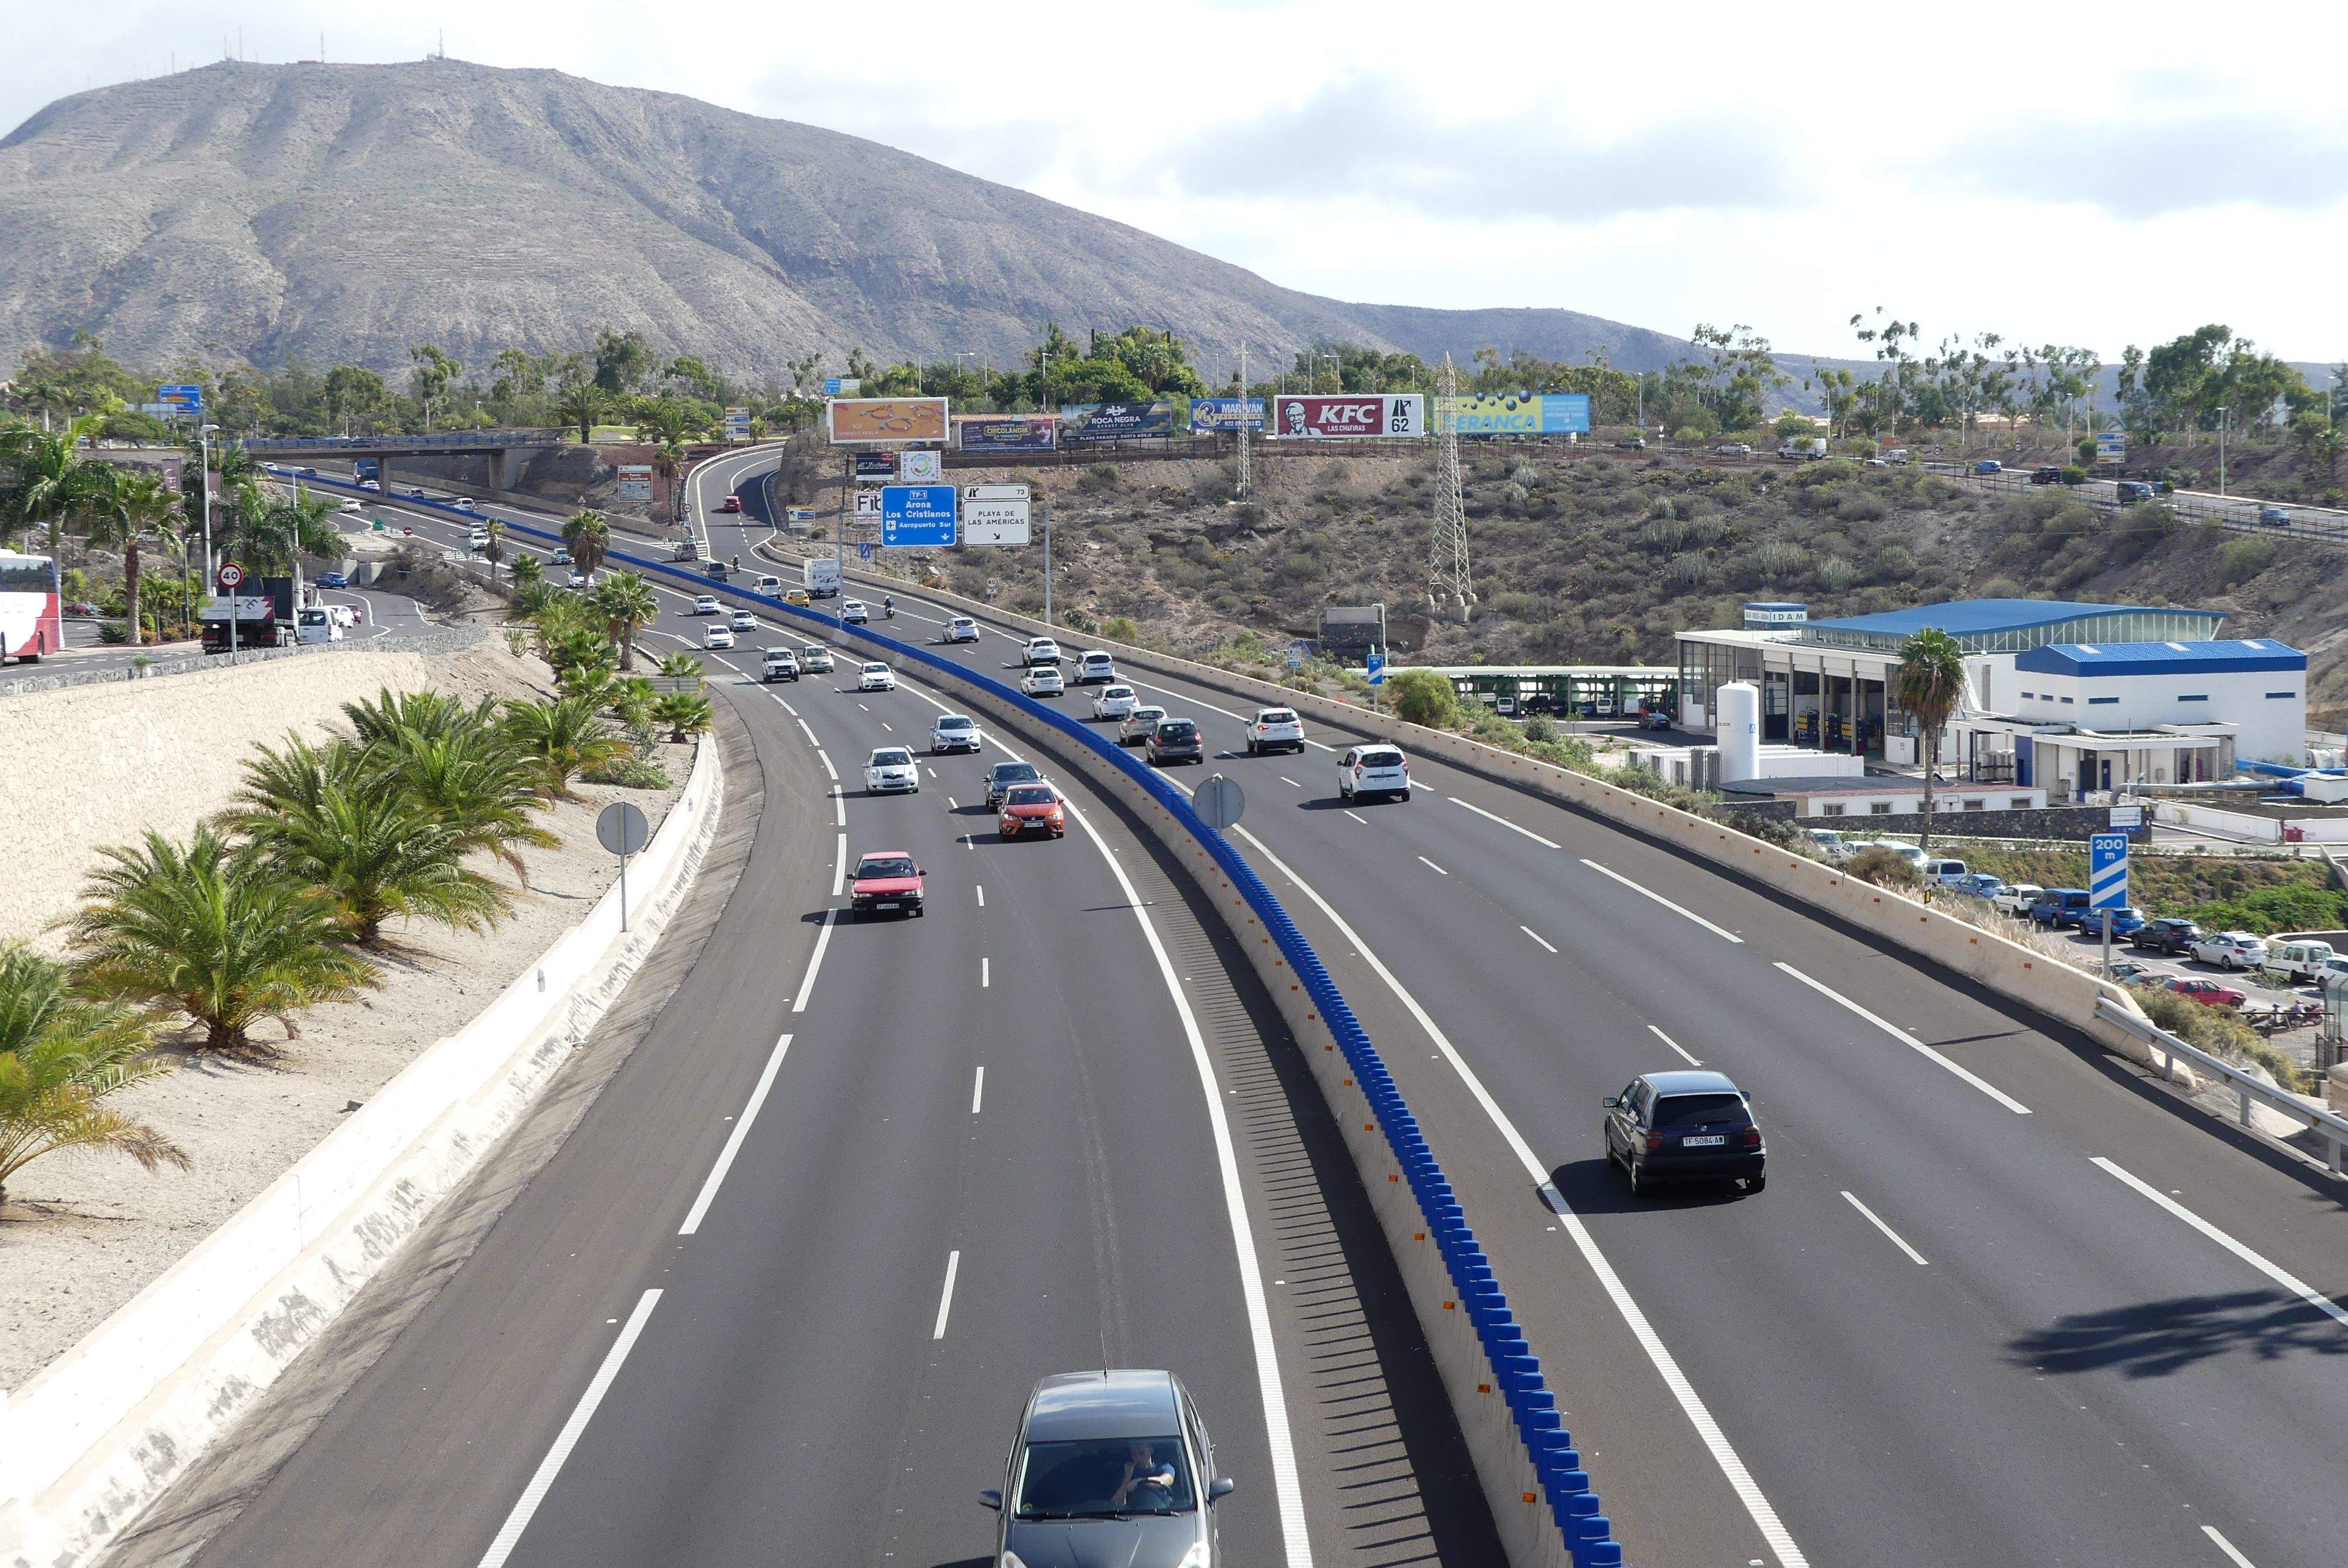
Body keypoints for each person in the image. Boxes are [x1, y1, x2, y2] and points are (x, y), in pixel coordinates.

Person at [1111, 1441, 1176, 1512]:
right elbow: (1115, 1505)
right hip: (1132, 1514)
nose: (1138, 1457)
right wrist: (1127, 1478)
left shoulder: (1163, 1467)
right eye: (1134, 1454)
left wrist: (1142, 1481)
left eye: (1142, 1453)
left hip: (1162, 1512)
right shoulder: (1127, 1471)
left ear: (1151, 1451)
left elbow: (1168, 1480)